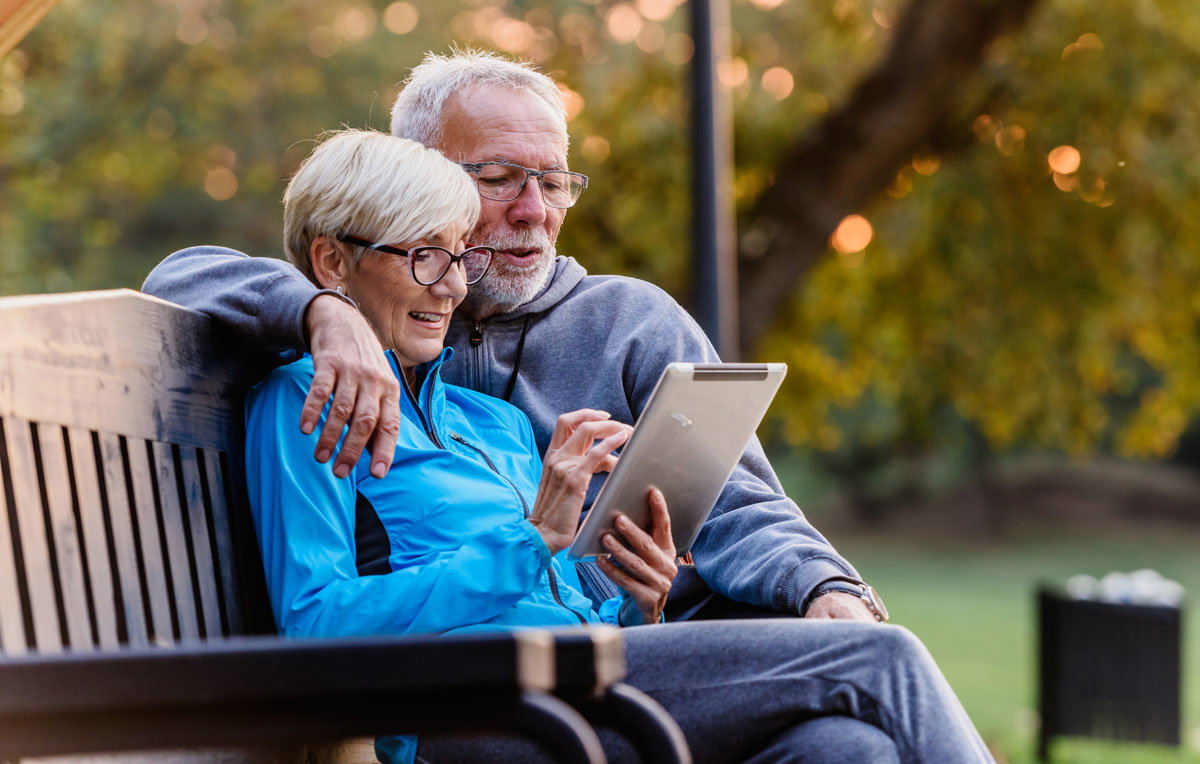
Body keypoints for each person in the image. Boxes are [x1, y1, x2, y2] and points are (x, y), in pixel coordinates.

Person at [246, 128, 993, 764]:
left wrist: (636, 603)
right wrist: (532, 536)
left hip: (569, 686)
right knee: (878, 657)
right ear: (333, 262)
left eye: (456, 257)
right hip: (470, 715)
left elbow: (553, 597)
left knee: (840, 749)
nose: (449, 288)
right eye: (422, 258)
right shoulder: (302, 401)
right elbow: (318, 624)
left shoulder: (489, 422)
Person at [144, 49, 873, 626]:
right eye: (498, 178)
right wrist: (321, 314)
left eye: (553, 183)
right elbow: (184, 275)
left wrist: (823, 587)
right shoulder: (378, 304)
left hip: (662, 640)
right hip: (512, 695)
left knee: (849, 720)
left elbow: (738, 499)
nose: (534, 211)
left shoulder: (630, 322)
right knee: (862, 690)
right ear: (424, 178)